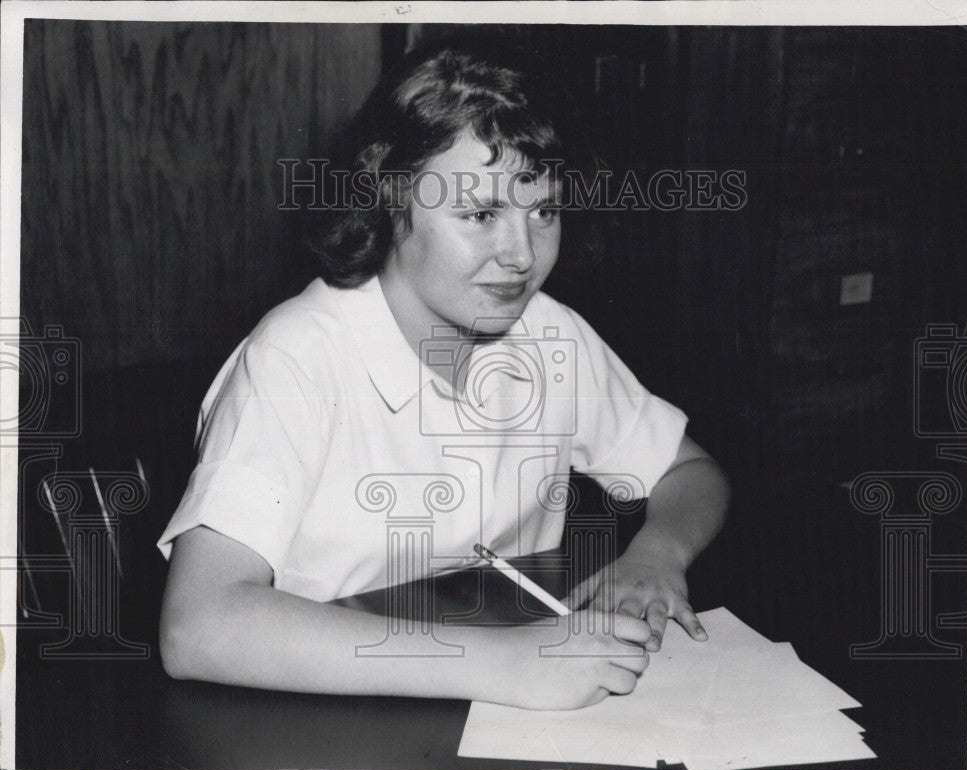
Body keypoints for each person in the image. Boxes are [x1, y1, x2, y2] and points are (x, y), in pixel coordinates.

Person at [157, 41, 730, 711]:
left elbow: (690, 473)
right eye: (481, 215)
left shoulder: (549, 333)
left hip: (506, 715)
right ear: (390, 200)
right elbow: (196, 626)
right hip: (319, 719)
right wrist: (502, 665)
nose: (521, 255)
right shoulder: (296, 356)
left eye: (543, 211)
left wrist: (657, 555)